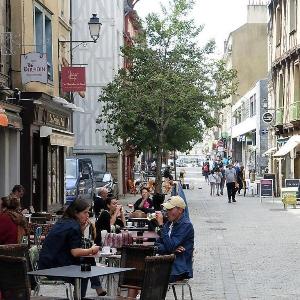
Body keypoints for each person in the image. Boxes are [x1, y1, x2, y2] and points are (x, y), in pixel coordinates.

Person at [38, 199, 106, 298]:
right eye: (85, 212)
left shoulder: (63, 221)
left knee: (87, 262)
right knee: (84, 270)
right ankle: (83, 295)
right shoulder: (74, 226)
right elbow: (75, 252)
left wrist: (81, 229)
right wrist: (91, 250)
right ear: (76, 213)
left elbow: (69, 242)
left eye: (88, 212)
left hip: (46, 262)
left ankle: (93, 289)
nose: (88, 215)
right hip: (54, 267)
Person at [154, 196, 194, 283]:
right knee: (137, 273)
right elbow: (157, 244)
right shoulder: (169, 223)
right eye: (167, 209)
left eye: (170, 209)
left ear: (180, 210)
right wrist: (172, 249)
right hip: (166, 263)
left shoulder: (186, 225)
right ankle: (136, 297)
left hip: (178, 269)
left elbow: (169, 246)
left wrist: (161, 226)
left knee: (147, 276)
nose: (167, 212)